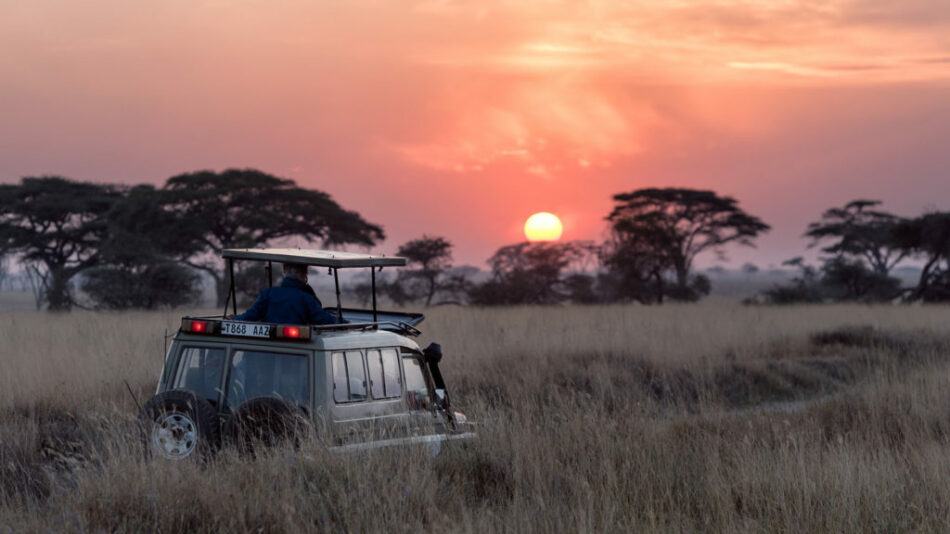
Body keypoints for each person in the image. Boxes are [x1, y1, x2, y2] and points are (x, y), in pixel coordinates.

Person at [233, 263, 341, 325]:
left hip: (267, 352)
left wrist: (234, 319)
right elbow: (323, 318)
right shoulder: (307, 299)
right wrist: (344, 322)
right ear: (305, 273)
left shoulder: (267, 293)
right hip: (297, 353)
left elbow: (250, 316)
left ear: (284, 270)